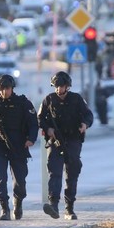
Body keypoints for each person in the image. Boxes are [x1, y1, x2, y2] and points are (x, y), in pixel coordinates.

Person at [0, 74, 38, 220]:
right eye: (1, 89)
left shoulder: (23, 103)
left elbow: (33, 123)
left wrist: (31, 139)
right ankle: (4, 208)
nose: (4, 92)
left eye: (7, 88)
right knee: (0, 176)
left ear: (12, 88)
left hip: (18, 145)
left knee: (20, 180)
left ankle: (17, 203)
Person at [37, 71, 94, 220]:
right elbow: (39, 118)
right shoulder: (48, 100)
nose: (59, 90)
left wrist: (84, 124)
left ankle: (69, 208)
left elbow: (88, 115)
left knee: (72, 173)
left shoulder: (76, 99)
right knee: (54, 171)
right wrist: (47, 129)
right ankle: (53, 205)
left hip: (73, 140)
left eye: (61, 86)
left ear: (67, 86)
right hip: (56, 141)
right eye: (56, 86)